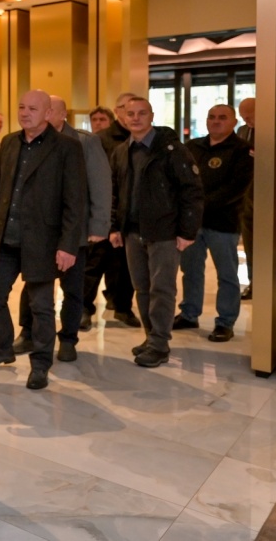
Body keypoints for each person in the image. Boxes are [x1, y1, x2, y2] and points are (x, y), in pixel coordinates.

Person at [0, 90, 86, 390]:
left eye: (33, 108)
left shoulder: (67, 147)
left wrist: (68, 245)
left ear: (48, 113)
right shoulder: (10, 142)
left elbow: (75, 201)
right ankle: (2, 348)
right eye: (21, 107)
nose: (25, 113)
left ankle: (40, 364)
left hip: (43, 241)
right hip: (6, 237)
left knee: (41, 307)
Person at [12, 96, 110, 363]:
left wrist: (99, 225)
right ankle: (28, 333)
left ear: (62, 113)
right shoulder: (30, 141)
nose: (42, 114)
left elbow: (100, 184)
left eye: (49, 110)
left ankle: (68, 338)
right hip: (39, 230)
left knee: (73, 287)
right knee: (33, 284)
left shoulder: (84, 141)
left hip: (73, 229)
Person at [110, 97, 204, 367]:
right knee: (142, 288)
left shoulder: (171, 149)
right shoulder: (121, 151)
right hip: (132, 233)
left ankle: (160, 344)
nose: (136, 118)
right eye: (130, 113)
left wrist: (187, 231)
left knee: (162, 289)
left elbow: (192, 191)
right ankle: (151, 336)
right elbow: (115, 192)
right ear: (123, 117)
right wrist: (114, 226)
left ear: (151, 116)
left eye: (142, 113)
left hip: (164, 232)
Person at [174, 104, 253, 341]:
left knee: (227, 275)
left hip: (224, 223)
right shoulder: (192, 147)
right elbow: (180, 179)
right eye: (211, 117)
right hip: (192, 224)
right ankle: (189, 314)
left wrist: (197, 204)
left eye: (222, 117)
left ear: (234, 122)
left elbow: (236, 188)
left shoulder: (243, 150)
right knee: (190, 270)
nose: (216, 121)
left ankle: (225, 322)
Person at [83, 94, 141, 328]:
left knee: (125, 266)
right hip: (103, 213)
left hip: (131, 214)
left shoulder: (142, 138)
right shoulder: (101, 139)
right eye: (126, 109)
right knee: (93, 264)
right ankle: (83, 309)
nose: (132, 115)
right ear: (117, 112)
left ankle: (122, 307)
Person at [237, 97, 255, 300]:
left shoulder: (274, 129)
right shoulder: (242, 132)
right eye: (243, 117)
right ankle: (253, 282)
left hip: (269, 194)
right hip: (246, 196)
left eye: (249, 116)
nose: (246, 121)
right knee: (250, 243)